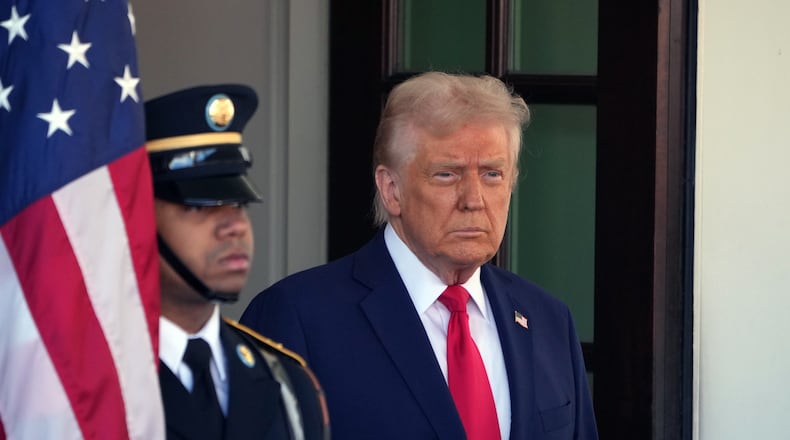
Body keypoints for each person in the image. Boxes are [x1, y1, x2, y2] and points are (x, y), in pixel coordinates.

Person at [240, 71, 598, 439]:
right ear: (391, 189)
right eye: (447, 174)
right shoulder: (297, 317)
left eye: (492, 174)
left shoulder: (548, 319)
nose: (473, 200)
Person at [145, 84, 329, 440]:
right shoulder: (78, 382)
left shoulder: (289, 382)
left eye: (239, 204)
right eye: (200, 206)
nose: (236, 226)